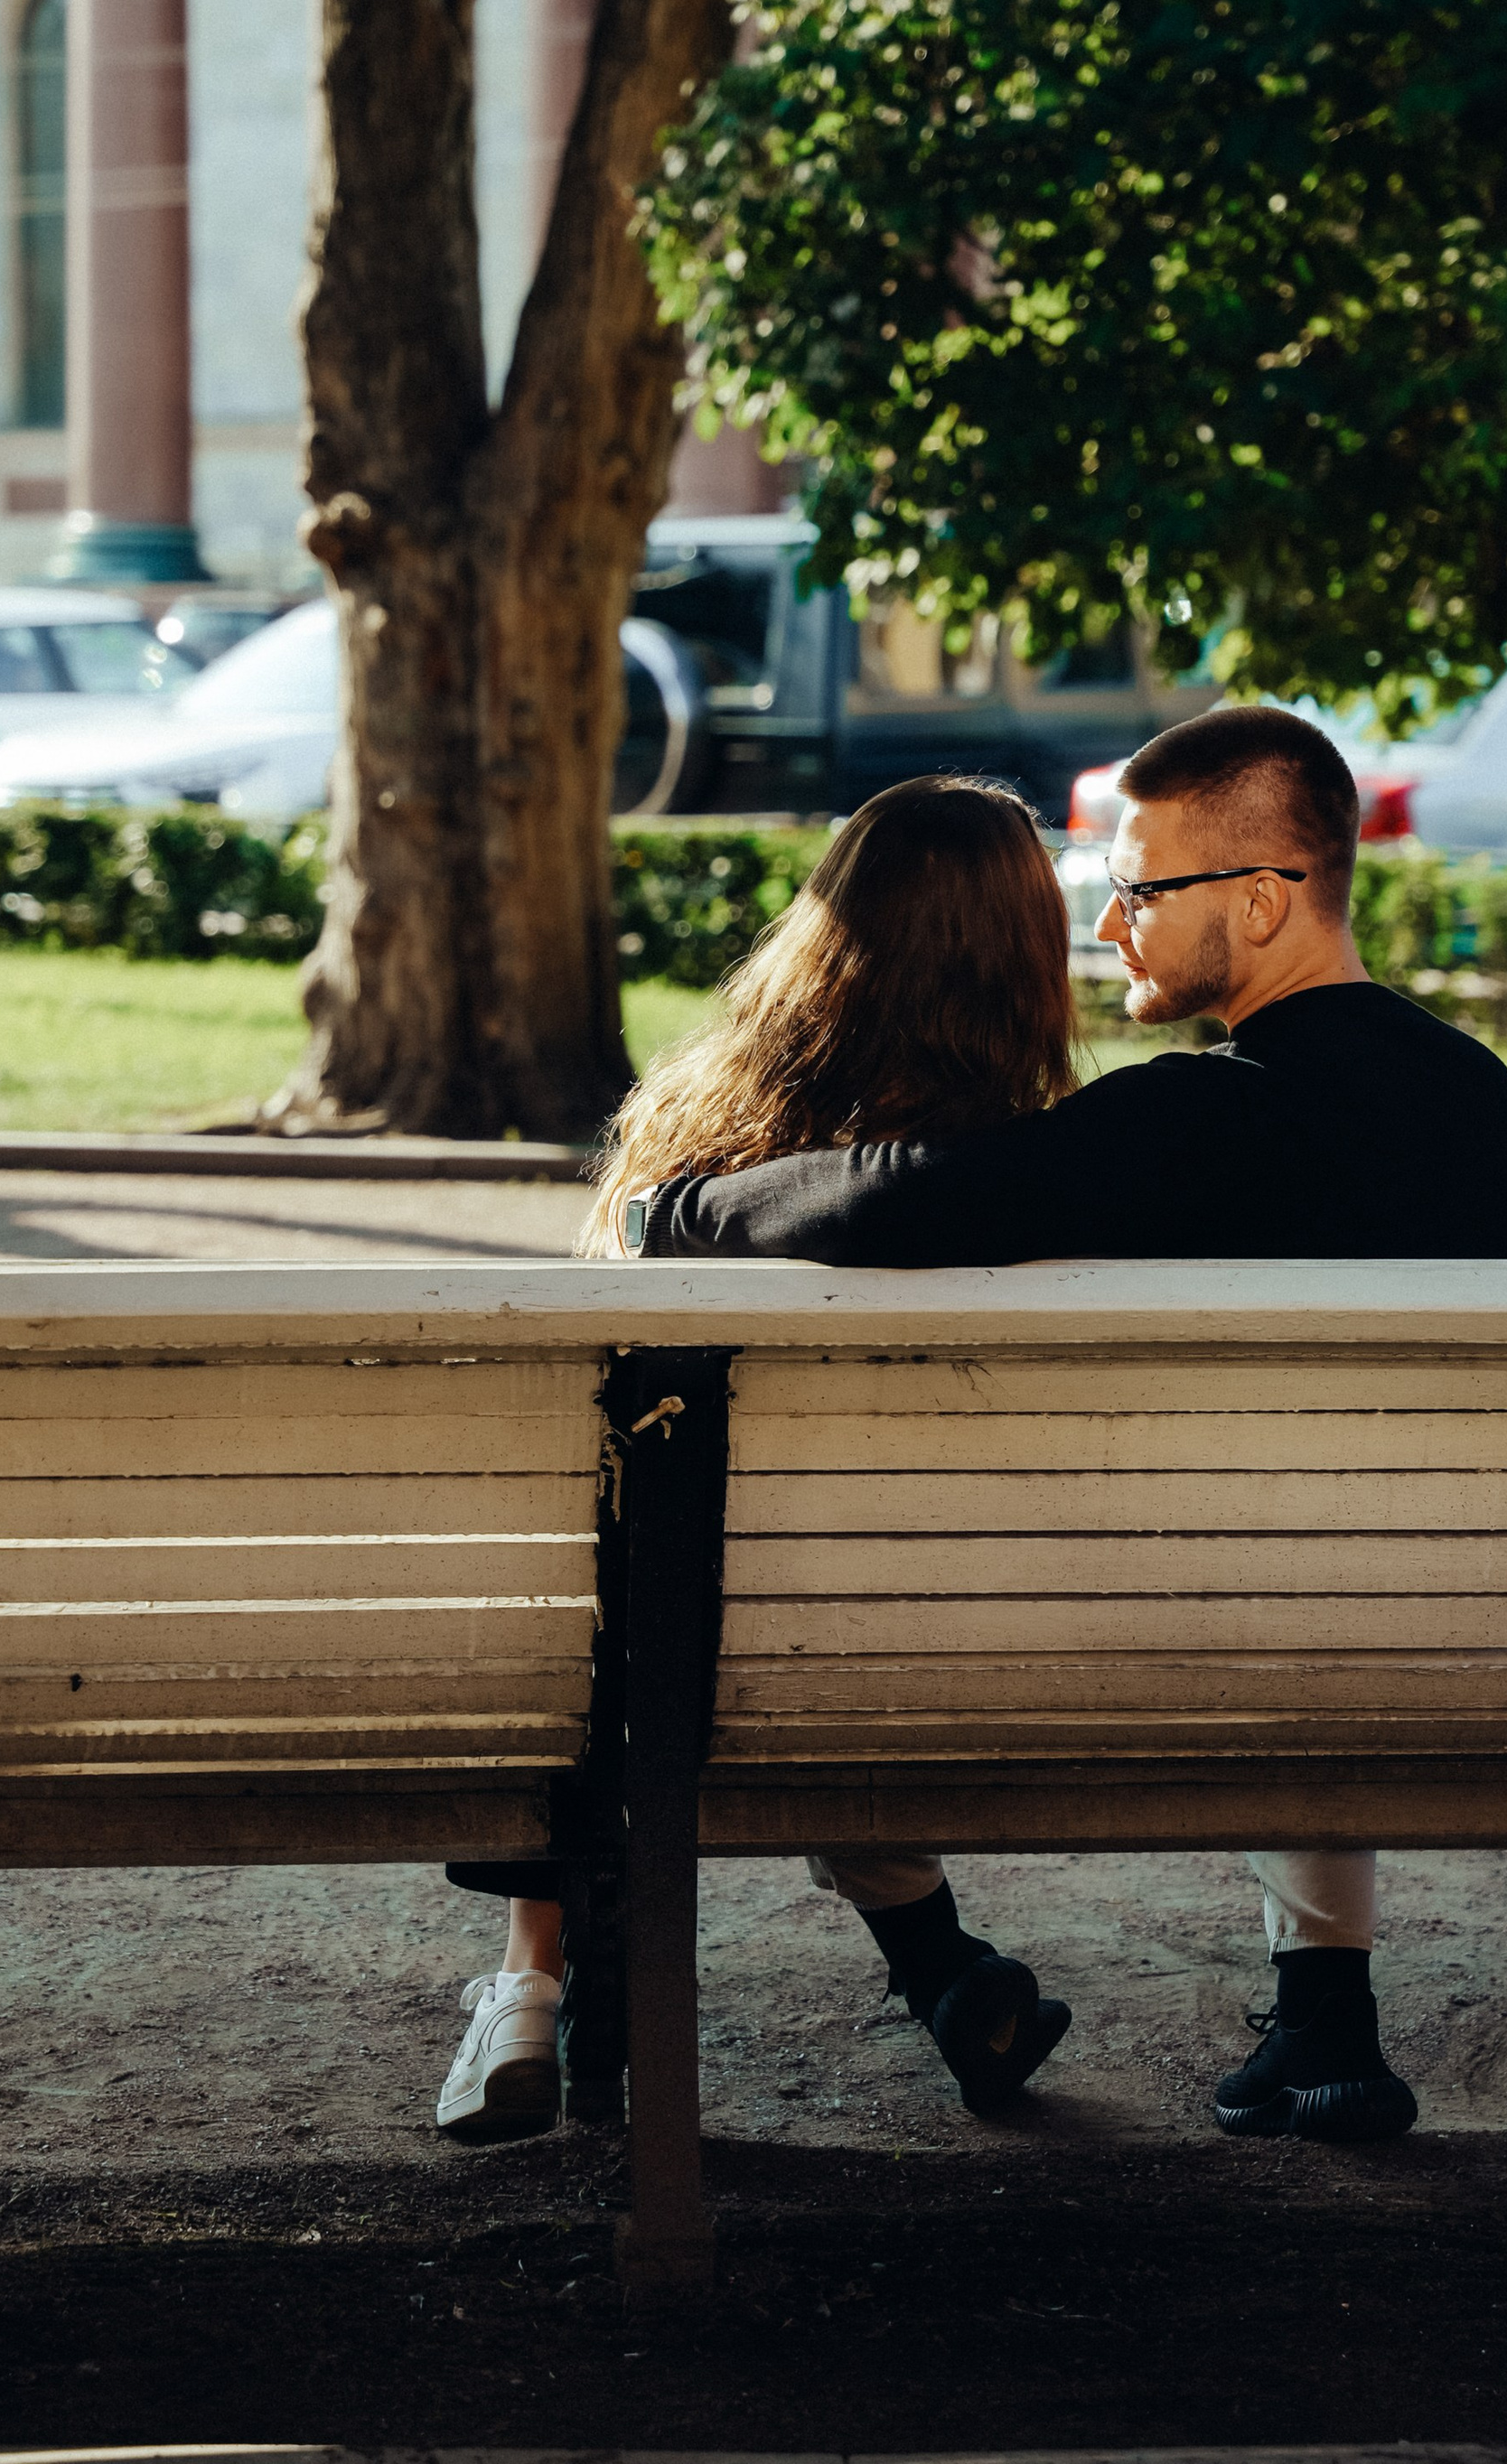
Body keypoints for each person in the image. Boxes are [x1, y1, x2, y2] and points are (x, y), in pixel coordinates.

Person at [632, 702, 1507, 2144]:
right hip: (1450, 1610)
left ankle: (907, 1960)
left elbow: (898, 1200)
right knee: (1309, 1562)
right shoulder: (1487, 1106)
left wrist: (679, 1212)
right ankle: (1325, 2013)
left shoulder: (1198, 1122)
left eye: (1141, 887)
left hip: (1164, 1632)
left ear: (1264, 901)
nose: (1114, 921)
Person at [433, 777, 1083, 2145]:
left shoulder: (702, 1138)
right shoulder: (1049, 1168)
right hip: (946, 1636)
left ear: (824, 930)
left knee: (606, 1579)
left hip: (685, 1643)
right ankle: (939, 1966)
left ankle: (533, 1986)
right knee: (816, 1594)